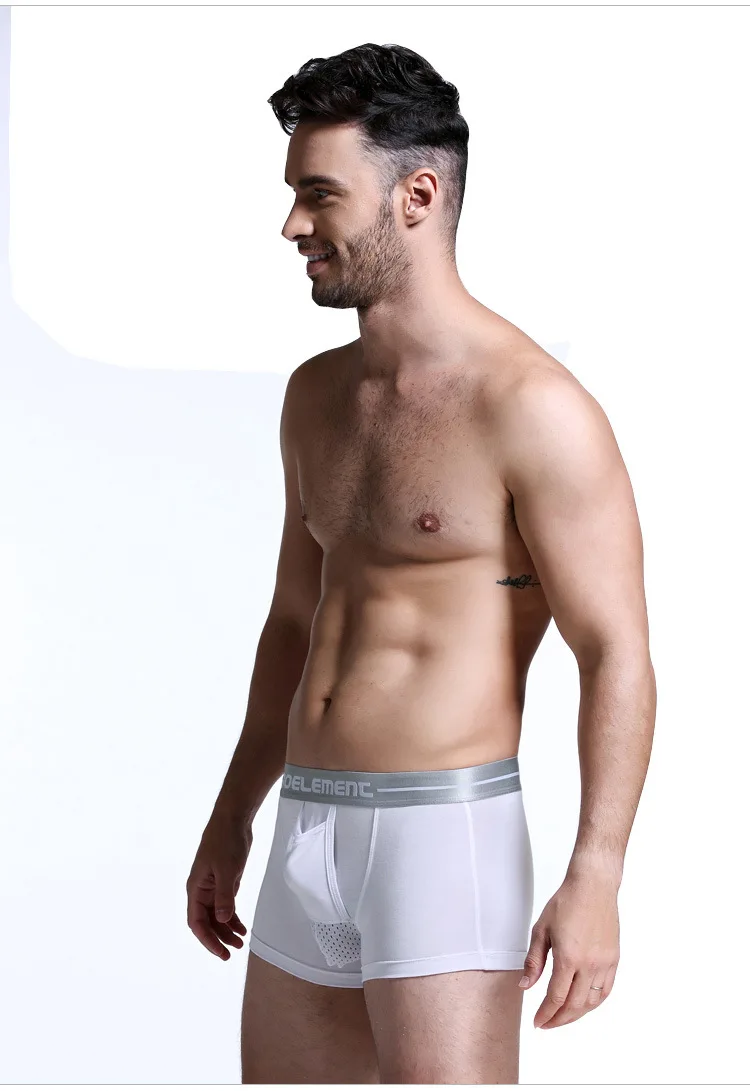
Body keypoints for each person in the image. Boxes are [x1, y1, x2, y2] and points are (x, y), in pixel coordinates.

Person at [186, 42, 656, 1084]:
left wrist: (598, 873)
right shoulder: (315, 396)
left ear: (418, 196)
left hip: (443, 843)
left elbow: (615, 650)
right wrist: (232, 816)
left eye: (320, 194)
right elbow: (293, 623)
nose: (293, 224)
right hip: (305, 829)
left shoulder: (533, 407)